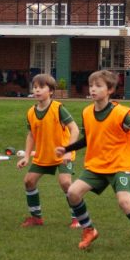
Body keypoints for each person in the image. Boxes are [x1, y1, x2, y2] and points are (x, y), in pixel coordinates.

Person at [56, 69, 130, 253]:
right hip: (97, 165)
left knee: (124, 202)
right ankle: (89, 230)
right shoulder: (87, 112)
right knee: (73, 193)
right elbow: (88, 139)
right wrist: (66, 149)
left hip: (119, 165)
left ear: (110, 90)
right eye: (91, 85)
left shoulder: (121, 113)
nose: (93, 89)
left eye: (98, 86)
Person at [16, 73, 80, 227]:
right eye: (35, 87)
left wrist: (69, 151)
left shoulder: (58, 108)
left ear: (51, 91)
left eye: (41, 87)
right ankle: (36, 218)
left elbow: (75, 129)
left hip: (62, 155)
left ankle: (77, 219)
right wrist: (26, 156)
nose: (37, 90)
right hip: (44, 155)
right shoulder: (31, 112)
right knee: (29, 181)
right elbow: (31, 135)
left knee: (65, 183)